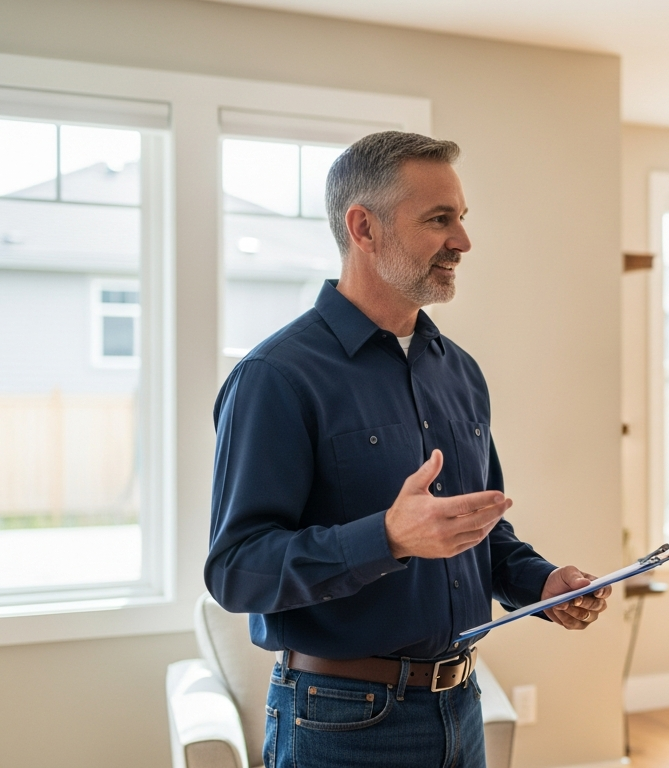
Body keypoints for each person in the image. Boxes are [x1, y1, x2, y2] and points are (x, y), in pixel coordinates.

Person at [205, 131, 610, 768]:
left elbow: (475, 531)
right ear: (363, 228)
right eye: (438, 220)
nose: (463, 241)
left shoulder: (460, 372)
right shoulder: (276, 378)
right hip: (339, 722)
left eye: (462, 219)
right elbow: (236, 570)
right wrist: (387, 537)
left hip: (461, 705)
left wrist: (543, 584)